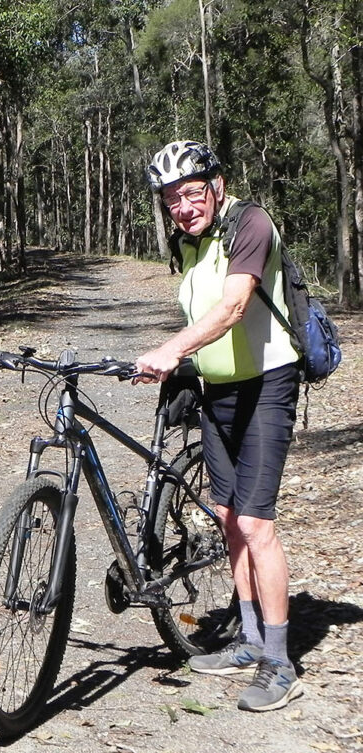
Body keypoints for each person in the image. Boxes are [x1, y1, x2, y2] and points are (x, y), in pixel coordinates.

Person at [136, 140, 303, 712]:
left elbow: (233, 307)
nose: (182, 206)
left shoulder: (251, 224)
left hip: (267, 387)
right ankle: (251, 638)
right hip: (219, 392)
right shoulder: (188, 243)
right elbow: (198, 308)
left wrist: (170, 349)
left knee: (257, 525)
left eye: (190, 192)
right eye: (171, 199)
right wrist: (183, 366)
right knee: (229, 517)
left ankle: (280, 661)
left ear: (217, 185)